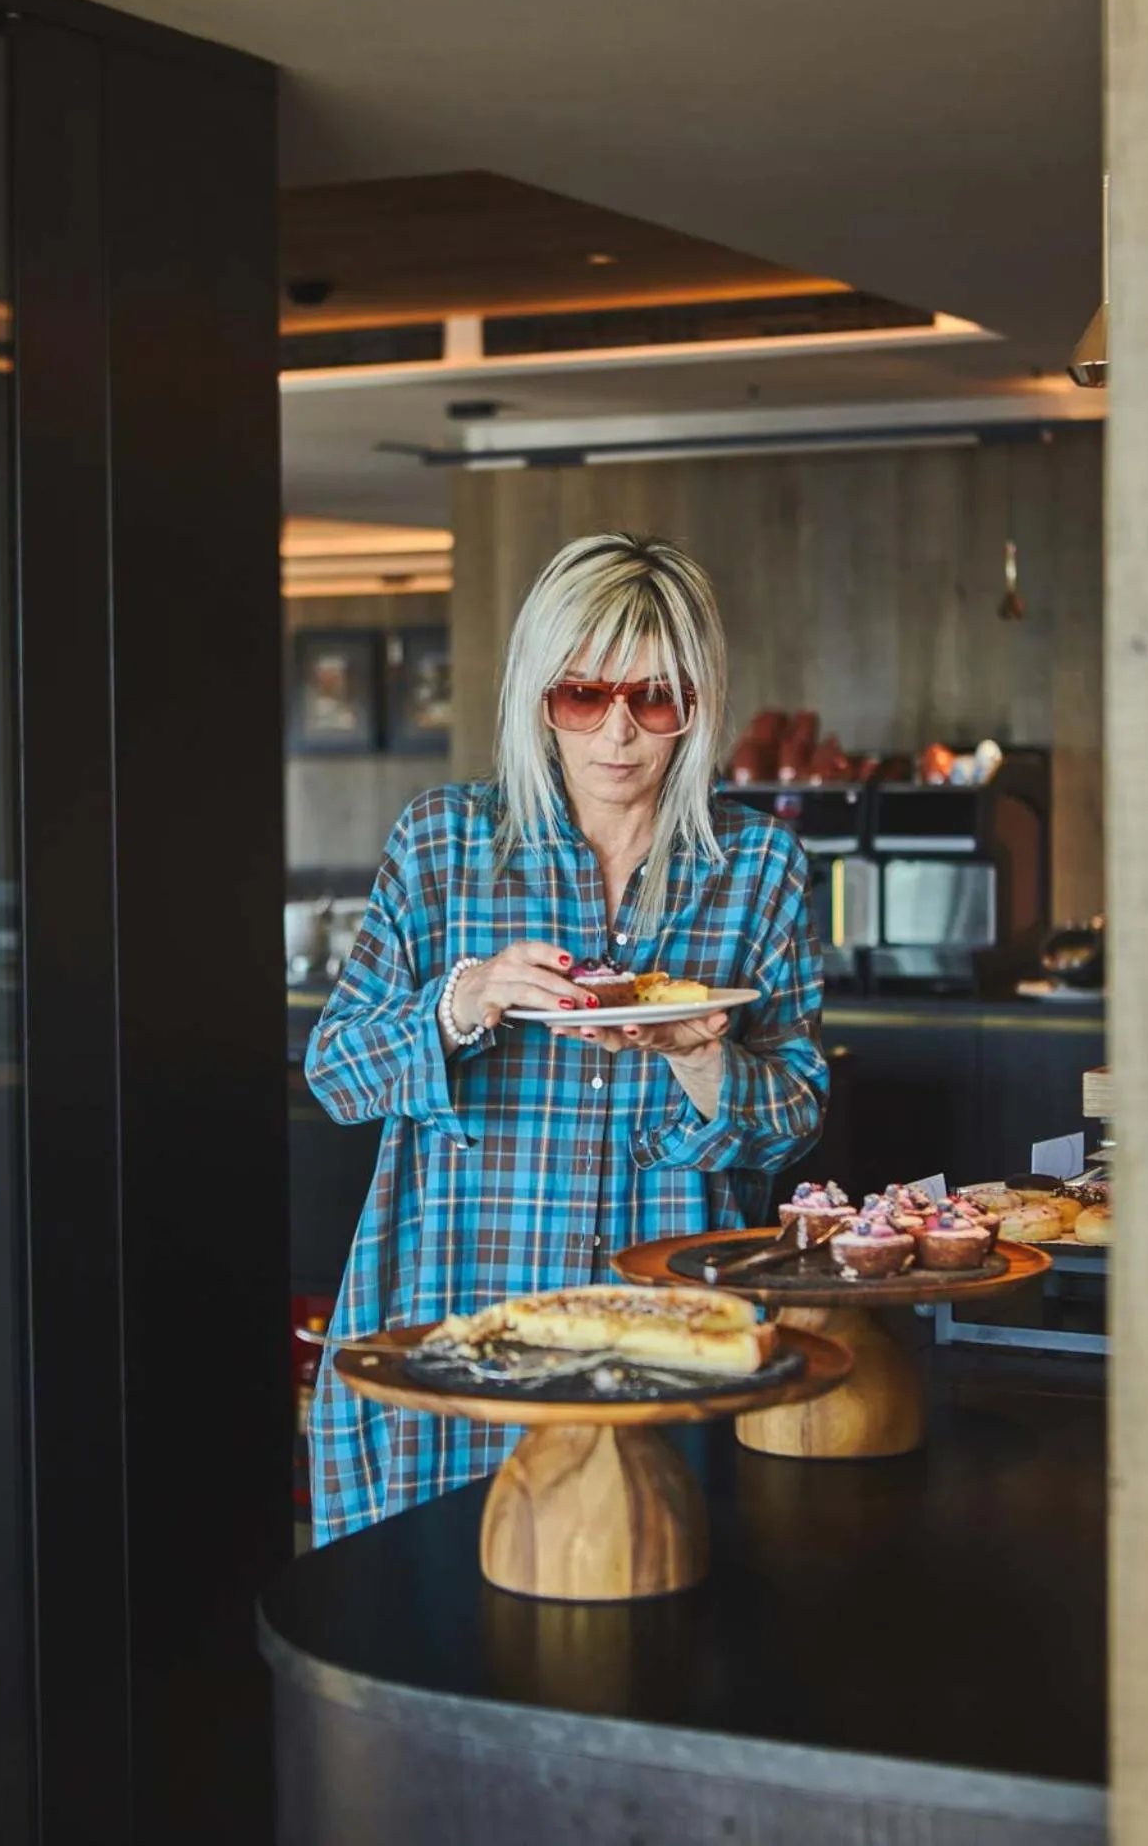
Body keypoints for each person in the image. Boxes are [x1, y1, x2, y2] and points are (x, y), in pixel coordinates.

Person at [305, 533, 827, 1539]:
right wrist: (464, 1000)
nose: (618, 734)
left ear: (698, 703)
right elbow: (336, 1073)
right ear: (539, 699)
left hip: (665, 1339)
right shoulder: (445, 842)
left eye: (654, 698)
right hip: (455, 1320)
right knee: (424, 1639)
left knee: (645, 1623)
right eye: (583, 696)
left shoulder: (757, 866)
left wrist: (697, 1053)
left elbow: (794, 1119)